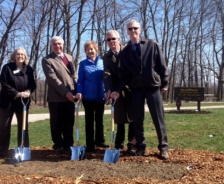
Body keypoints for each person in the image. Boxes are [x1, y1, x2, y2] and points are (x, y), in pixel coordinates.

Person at [111, 20, 169, 160]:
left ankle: (163, 148)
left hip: (153, 87)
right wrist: (118, 90)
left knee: (158, 119)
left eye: (135, 28)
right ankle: (141, 147)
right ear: (127, 31)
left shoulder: (151, 44)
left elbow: (162, 65)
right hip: (136, 89)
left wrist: (165, 83)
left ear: (140, 29)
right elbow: (124, 74)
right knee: (137, 120)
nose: (133, 31)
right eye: (130, 29)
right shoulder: (125, 52)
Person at [103, 30, 136, 154]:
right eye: (109, 39)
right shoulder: (106, 57)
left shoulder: (128, 51)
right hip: (116, 91)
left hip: (131, 88)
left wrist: (118, 89)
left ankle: (132, 145)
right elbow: (107, 74)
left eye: (114, 39)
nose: (112, 41)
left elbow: (128, 72)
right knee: (119, 117)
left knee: (133, 117)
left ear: (119, 39)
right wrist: (108, 89)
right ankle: (119, 145)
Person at [42, 36, 76, 154]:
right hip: (56, 97)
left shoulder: (69, 57)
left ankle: (68, 144)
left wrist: (76, 91)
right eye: (54, 44)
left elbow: (73, 76)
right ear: (51, 46)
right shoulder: (47, 60)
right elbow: (53, 79)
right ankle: (58, 144)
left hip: (71, 96)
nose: (57, 46)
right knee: (56, 122)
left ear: (63, 44)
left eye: (59, 44)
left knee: (69, 121)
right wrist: (66, 93)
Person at [0, 48, 36, 157]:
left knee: (23, 126)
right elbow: (4, 83)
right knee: (4, 127)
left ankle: (24, 149)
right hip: (7, 102)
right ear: (14, 56)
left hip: (23, 102)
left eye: (22, 54)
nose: (20, 56)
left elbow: (32, 84)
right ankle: (2, 151)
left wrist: (28, 92)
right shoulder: (7, 67)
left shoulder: (28, 69)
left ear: (25, 56)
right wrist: (16, 93)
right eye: (18, 54)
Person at [76, 41, 108, 152]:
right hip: (88, 97)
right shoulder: (83, 64)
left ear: (96, 50)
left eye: (92, 49)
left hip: (100, 96)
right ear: (85, 51)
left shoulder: (103, 62)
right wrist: (79, 92)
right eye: (87, 49)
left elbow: (106, 79)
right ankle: (90, 144)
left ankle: (100, 141)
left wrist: (107, 92)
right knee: (89, 121)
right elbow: (80, 80)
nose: (90, 51)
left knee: (99, 120)